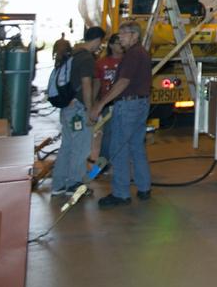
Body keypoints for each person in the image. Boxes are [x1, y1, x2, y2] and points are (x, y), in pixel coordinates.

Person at [90, 20, 152, 207]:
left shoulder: (133, 54)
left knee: (118, 148)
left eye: (124, 33)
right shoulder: (142, 53)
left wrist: (100, 104)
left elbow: (123, 82)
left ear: (135, 35)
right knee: (136, 146)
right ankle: (144, 187)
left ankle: (121, 193)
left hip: (128, 106)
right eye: (120, 33)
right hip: (141, 104)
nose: (120, 37)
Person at [51, 26, 103, 198]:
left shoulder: (72, 53)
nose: (99, 46)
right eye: (100, 42)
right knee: (80, 148)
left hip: (67, 107)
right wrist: (89, 110)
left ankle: (58, 184)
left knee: (66, 146)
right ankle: (74, 184)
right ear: (97, 40)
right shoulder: (87, 58)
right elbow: (86, 84)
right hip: (78, 110)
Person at [90, 37, 123, 169]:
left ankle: (120, 163)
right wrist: (94, 104)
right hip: (107, 103)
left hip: (124, 103)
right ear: (111, 45)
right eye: (118, 43)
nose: (121, 45)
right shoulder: (101, 63)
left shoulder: (127, 61)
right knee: (108, 133)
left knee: (124, 134)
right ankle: (102, 165)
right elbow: (97, 83)